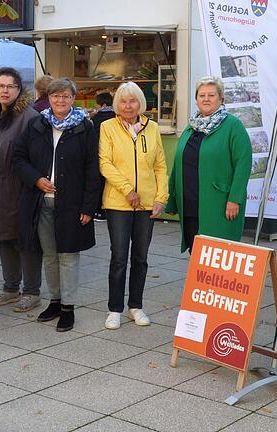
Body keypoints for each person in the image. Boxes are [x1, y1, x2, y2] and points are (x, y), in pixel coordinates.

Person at [13, 78, 100, 332]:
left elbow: (92, 169)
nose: (60, 100)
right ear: (48, 98)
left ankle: (68, 308)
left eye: (65, 96)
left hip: (71, 204)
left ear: (73, 99)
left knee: (68, 256)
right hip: (41, 202)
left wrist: (88, 207)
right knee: (50, 257)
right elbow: (18, 158)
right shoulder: (36, 124)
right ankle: (54, 301)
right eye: (55, 96)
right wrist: (36, 179)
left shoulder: (84, 127)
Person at [0, 67, 43, 313]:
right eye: (1, 86)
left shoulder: (29, 118)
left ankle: (32, 291)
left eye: (10, 86)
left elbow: (37, 159)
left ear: (18, 90)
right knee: (4, 238)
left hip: (18, 190)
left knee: (25, 241)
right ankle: (11, 288)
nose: (5, 90)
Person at [99, 82, 168, 330]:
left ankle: (135, 306)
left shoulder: (153, 128)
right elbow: (105, 163)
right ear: (117, 104)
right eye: (123, 101)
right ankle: (114, 308)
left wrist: (161, 197)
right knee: (119, 257)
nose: (128, 106)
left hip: (147, 204)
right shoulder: (107, 127)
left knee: (141, 258)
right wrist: (128, 189)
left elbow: (160, 165)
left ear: (141, 103)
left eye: (133, 101)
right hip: (118, 202)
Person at [166, 76, 252, 252]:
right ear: (196, 100)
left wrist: (234, 199)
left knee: (218, 253)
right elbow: (178, 165)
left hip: (218, 204)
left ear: (221, 99)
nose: (206, 99)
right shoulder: (191, 127)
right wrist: (172, 199)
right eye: (201, 95)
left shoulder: (232, 126)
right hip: (190, 203)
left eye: (211, 95)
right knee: (196, 250)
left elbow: (243, 165)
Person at [90, 92, 116, 221]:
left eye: (97, 104)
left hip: (99, 153)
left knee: (99, 182)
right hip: (115, 155)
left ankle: (99, 210)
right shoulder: (117, 117)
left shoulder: (95, 118)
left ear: (103, 105)